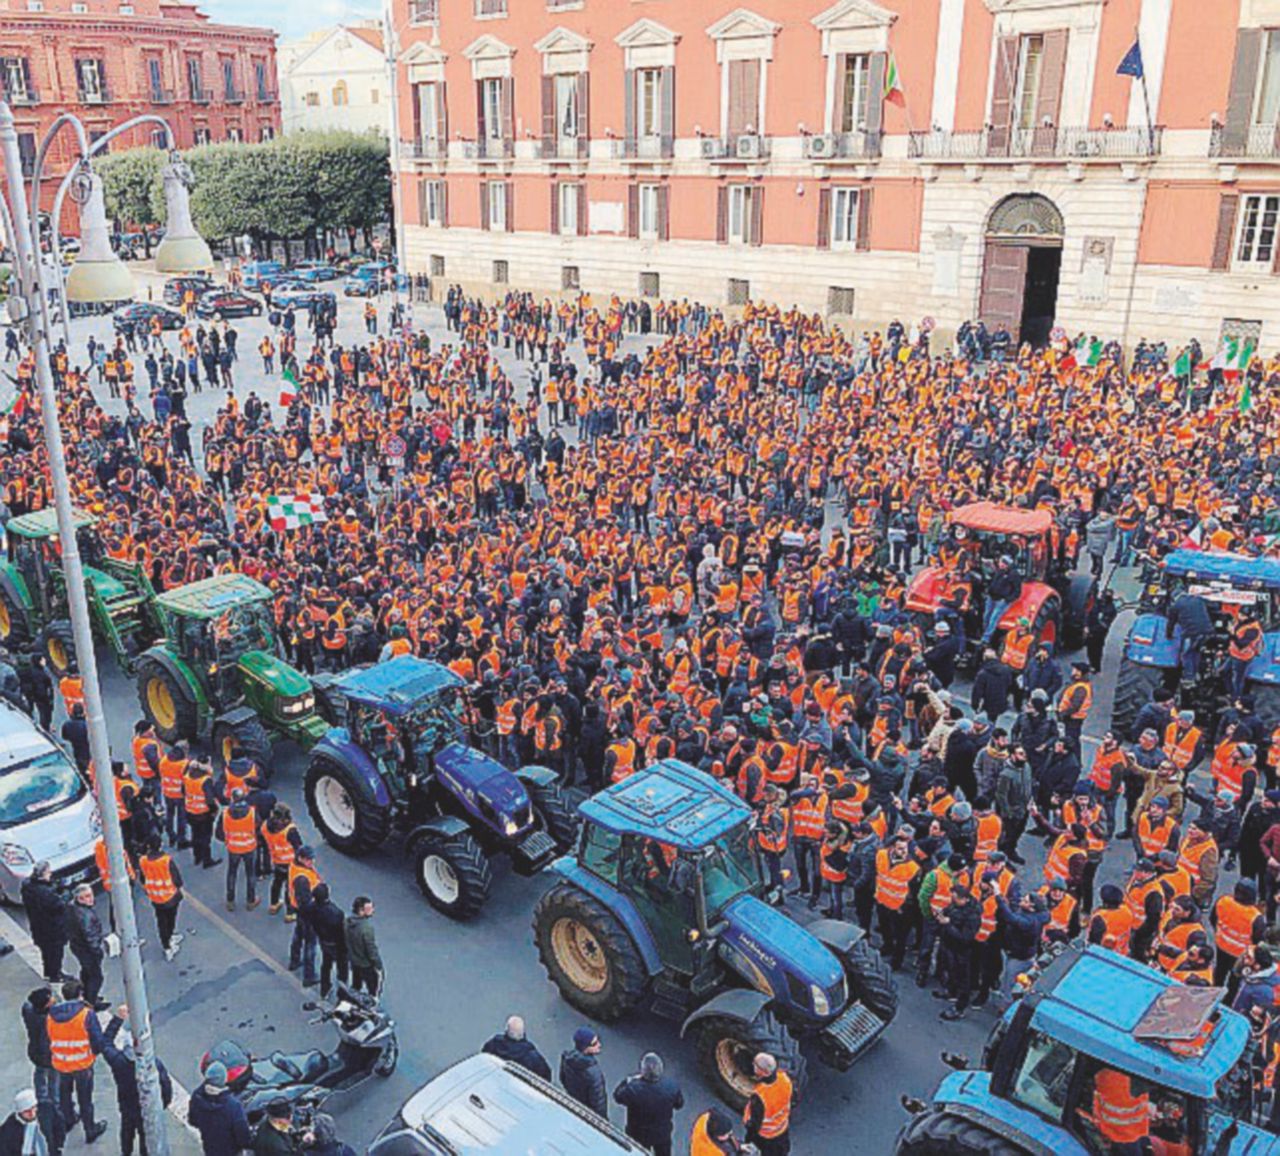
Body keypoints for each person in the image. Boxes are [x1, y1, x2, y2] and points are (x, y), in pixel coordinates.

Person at [100, 1005, 173, 1156]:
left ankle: (126, 1152)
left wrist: (118, 1019)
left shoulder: (118, 1061)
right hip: (145, 1107)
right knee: (145, 1134)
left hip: (126, 1104)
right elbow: (166, 1087)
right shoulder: (153, 1065)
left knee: (126, 1130)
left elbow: (105, 1042)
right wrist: (162, 1104)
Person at [47, 980, 108, 1145]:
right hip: (82, 1064)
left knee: (65, 1095)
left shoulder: (51, 1016)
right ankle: (90, 1129)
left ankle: (69, 1119)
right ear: (80, 994)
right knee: (85, 1099)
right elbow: (97, 1041)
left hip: (61, 1063)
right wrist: (93, 1053)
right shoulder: (86, 1014)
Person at [612, 1052, 684, 1156]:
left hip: (638, 1134)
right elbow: (679, 1105)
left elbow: (617, 1096)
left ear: (643, 1071)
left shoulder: (633, 1089)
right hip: (662, 1133)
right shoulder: (671, 1086)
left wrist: (628, 1081)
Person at [20, 987, 62, 1156]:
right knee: (53, 1079)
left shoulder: (28, 1010)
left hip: (35, 1051)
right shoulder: (48, 1021)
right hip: (48, 1056)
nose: (53, 999)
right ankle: (53, 1104)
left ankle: (41, 1095)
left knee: (39, 1073)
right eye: (50, 998)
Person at [188, 1063, 252, 1156]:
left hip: (210, 1147)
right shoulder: (233, 1106)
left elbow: (193, 1120)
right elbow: (243, 1137)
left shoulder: (197, 1097)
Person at [138, 839, 185, 961]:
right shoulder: (166, 860)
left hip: (155, 897)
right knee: (170, 919)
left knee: (161, 921)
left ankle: (166, 943)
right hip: (170, 897)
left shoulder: (143, 860)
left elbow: (143, 878)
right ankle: (169, 940)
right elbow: (177, 880)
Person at [22, 863, 69, 983]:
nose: (51, 873)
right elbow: (58, 906)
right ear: (42, 874)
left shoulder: (28, 887)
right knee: (56, 954)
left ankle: (49, 972)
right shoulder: (45, 893)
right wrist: (65, 895)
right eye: (48, 872)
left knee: (46, 954)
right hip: (52, 929)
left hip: (38, 928)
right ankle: (56, 975)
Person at [64, 885, 107, 1009]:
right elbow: (91, 938)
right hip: (87, 951)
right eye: (87, 897)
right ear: (80, 899)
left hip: (77, 947)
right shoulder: (86, 916)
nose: (91, 899)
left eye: (90, 895)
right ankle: (91, 1002)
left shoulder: (72, 907)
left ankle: (87, 995)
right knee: (96, 977)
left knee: (86, 972)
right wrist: (98, 951)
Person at [217, 788, 259, 911]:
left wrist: (227, 839)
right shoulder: (252, 812)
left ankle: (230, 900)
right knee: (250, 874)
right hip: (249, 847)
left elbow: (219, 833)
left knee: (232, 874)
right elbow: (258, 826)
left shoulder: (225, 813)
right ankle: (251, 901)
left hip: (233, 848)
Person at [743, 1052, 792, 1156]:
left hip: (766, 1136)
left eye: (755, 1065)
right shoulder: (785, 1079)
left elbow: (756, 1123)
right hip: (782, 1129)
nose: (753, 1065)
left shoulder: (761, 1096)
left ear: (764, 1072)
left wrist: (748, 1140)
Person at [287, 847, 322, 988]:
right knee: (310, 944)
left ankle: (294, 961)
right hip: (307, 914)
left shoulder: (295, 867)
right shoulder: (302, 879)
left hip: (299, 911)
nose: (311, 862)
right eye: (308, 859)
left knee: (298, 936)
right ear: (300, 858)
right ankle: (309, 976)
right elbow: (305, 901)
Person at [480, 1015, 552, 1080]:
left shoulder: (494, 1044)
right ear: (523, 1032)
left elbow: (484, 1058)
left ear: (507, 1030)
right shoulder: (533, 1057)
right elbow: (546, 1076)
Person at [309, 884, 348, 999]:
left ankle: (324, 988)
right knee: (342, 969)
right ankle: (343, 994)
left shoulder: (312, 908)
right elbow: (341, 933)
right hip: (336, 944)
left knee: (326, 964)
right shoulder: (336, 913)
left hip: (324, 940)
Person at [559, 1027, 607, 1118]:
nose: (599, 1045)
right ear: (585, 1048)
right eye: (594, 1044)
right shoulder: (593, 1072)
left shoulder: (566, 1058)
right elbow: (599, 1102)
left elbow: (563, 1078)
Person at [344, 895, 383, 996]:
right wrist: (378, 965)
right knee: (373, 987)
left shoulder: (347, 922)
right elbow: (371, 950)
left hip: (353, 960)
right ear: (361, 911)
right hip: (365, 964)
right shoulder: (366, 929)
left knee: (356, 983)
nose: (373, 910)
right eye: (369, 908)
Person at [0, 1091, 48, 1156]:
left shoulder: (44, 1117)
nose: (32, 1114)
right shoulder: (9, 1131)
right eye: (27, 1111)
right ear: (20, 1112)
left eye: (33, 1108)